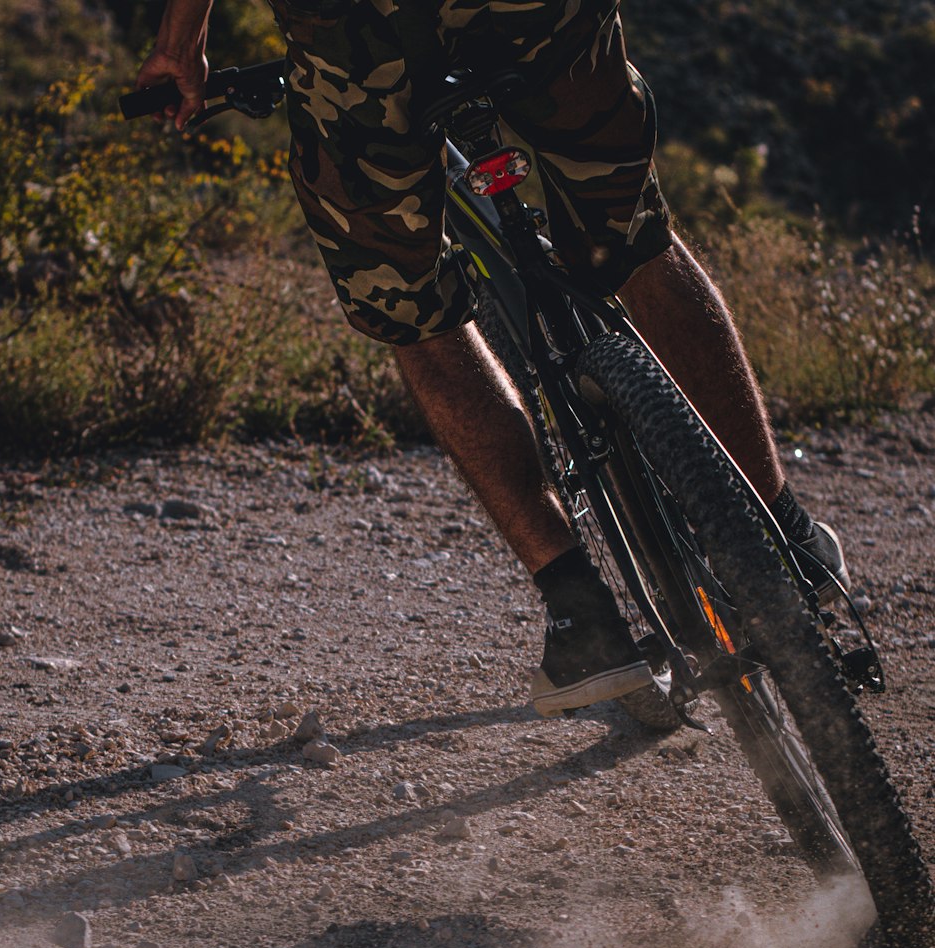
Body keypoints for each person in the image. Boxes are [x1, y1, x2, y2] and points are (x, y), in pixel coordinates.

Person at [136, 0, 849, 717]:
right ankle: (786, 535)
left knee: (414, 314)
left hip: (358, 37)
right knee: (633, 241)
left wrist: (181, 43)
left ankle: (584, 618)